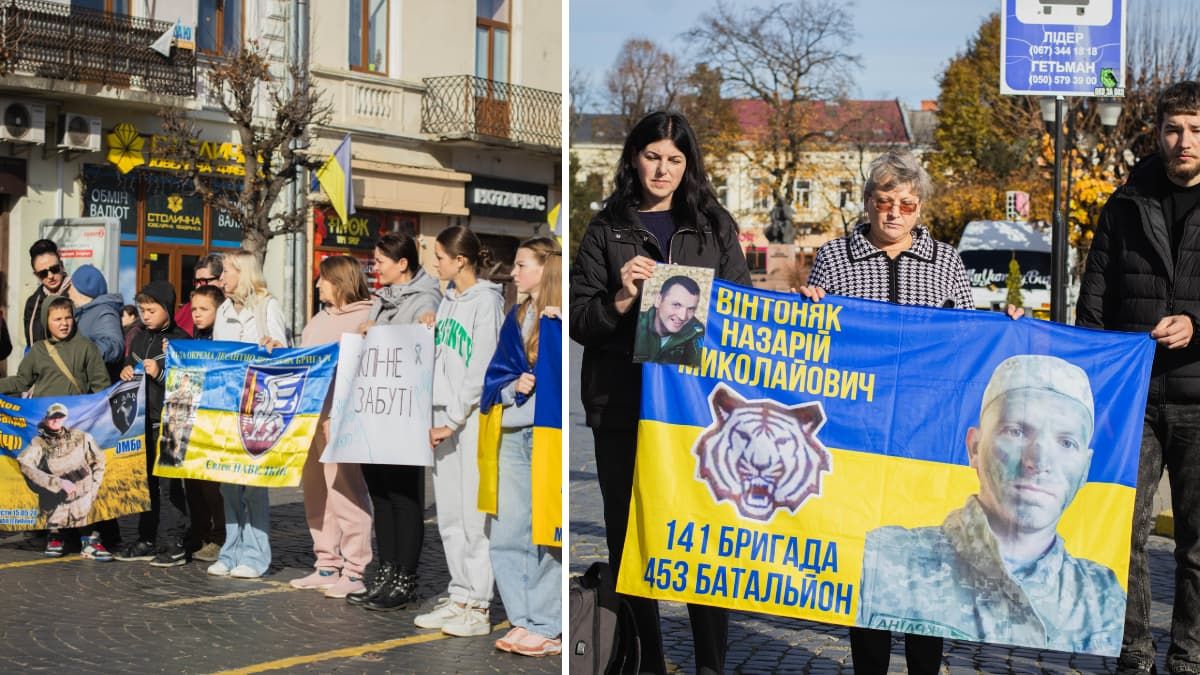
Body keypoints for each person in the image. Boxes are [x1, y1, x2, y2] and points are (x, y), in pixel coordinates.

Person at [570, 110, 750, 674]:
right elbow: (579, 319)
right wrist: (622, 297)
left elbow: (745, 309)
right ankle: (648, 660)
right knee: (632, 541)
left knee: (705, 541)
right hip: (621, 405)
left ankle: (710, 666)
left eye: (675, 159)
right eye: (653, 156)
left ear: (689, 165)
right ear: (634, 158)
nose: (663, 169)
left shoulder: (713, 225)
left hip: (696, 410)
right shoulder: (607, 229)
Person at [798, 149, 976, 674]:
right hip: (858, 436)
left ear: (920, 208)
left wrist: (1007, 324)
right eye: (885, 202)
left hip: (925, 438)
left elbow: (969, 341)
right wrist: (804, 311)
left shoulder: (946, 262)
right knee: (865, 561)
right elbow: (813, 351)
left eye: (908, 203)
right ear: (868, 203)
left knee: (929, 561)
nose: (895, 213)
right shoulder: (835, 258)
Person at [857, 355, 1124, 653]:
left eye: (1066, 442)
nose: (1038, 461)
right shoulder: (885, 557)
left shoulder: (1103, 597)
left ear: (1085, 470)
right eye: (1017, 431)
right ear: (974, 447)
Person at [1076, 80, 1200, 675]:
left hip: (1199, 399)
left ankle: (1187, 656)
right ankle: (1134, 652)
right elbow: (1093, 303)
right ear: (1157, 134)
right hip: (1134, 401)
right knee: (1122, 532)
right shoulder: (1124, 204)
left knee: (1197, 544)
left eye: (1197, 130)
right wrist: (1098, 388)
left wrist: (1198, 324)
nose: (1184, 142)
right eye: (1175, 129)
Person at [413, 226, 503, 637]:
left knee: (473, 515)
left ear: (460, 260)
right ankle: (460, 593)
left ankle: (479, 605)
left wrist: (452, 418)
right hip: (442, 416)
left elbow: (480, 366)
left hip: (467, 420)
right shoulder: (448, 301)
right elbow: (445, 357)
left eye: (440, 257)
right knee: (449, 514)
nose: (435, 264)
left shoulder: (487, 303)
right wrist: (429, 325)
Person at [348, 232, 441, 611]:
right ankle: (385, 572)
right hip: (375, 413)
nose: (375, 267)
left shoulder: (426, 298)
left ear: (403, 264)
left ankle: (405, 576)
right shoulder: (380, 301)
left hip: (405, 415)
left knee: (404, 497)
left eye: (381, 261)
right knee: (381, 496)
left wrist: (384, 332)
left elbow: (421, 341)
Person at [484, 237, 563, 657]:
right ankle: (522, 617)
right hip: (513, 432)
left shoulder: (561, 319)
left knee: (547, 530)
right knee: (508, 530)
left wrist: (560, 332)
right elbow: (495, 373)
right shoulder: (515, 316)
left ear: (545, 269)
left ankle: (548, 623)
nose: (513, 273)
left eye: (521, 265)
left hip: (548, 436)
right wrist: (513, 387)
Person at [0, 296, 110, 560]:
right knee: (53, 481)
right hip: (48, 430)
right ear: (46, 321)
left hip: (78, 428)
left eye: (68, 317)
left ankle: (89, 538)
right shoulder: (38, 351)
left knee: (83, 482)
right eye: (57, 318)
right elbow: (22, 381)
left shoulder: (87, 348)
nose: (64, 323)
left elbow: (101, 386)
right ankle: (55, 535)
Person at [290, 255, 374, 599]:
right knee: (316, 492)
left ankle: (356, 568)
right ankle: (326, 562)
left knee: (346, 491)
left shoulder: (367, 316)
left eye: (322, 279)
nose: (316, 284)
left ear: (339, 282)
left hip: (342, 418)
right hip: (311, 415)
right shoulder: (319, 319)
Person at [207, 250, 288, 579]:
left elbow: (284, 352)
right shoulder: (223, 310)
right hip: (226, 406)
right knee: (227, 483)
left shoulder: (267, 306)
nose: (222, 277)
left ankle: (255, 556)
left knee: (253, 485)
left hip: (257, 410)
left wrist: (274, 345)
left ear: (245, 272)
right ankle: (230, 551)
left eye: (227, 271)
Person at [114, 281, 190, 567]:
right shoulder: (137, 337)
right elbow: (128, 366)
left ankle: (175, 542)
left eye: (151, 310)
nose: (145, 315)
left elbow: (187, 385)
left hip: (171, 423)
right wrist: (124, 372)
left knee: (170, 487)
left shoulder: (181, 339)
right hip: (142, 423)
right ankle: (147, 539)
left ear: (167, 309)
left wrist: (160, 374)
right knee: (145, 484)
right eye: (142, 310)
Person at [183, 284, 225, 562]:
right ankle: (198, 530)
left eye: (204, 309)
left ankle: (219, 536)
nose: (196, 315)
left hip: (215, 422)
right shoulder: (193, 339)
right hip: (191, 419)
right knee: (192, 482)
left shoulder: (222, 341)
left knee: (213, 485)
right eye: (194, 309)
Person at [17, 405, 105, 535]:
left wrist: (94, 488)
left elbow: (98, 461)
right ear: (46, 419)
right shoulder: (39, 443)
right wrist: (57, 483)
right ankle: (55, 539)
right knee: (56, 537)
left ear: (65, 418)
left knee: (88, 532)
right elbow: (25, 464)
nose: (56, 419)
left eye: (60, 416)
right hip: (57, 508)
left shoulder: (81, 437)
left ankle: (88, 543)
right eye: (53, 417)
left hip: (84, 503)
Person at [65, 264, 125, 380]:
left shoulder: (104, 312)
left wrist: (81, 354)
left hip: (96, 391)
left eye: (71, 286)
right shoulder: (84, 311)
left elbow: (114, 345)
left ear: (82, 289)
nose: (68, 292)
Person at [633, 274, 704, 365]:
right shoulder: (637, 324)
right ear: (658, 300)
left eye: (690, 309)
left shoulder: (697, 332)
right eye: (677, 305)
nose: (683, 317)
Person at [23, 239, 68, 348]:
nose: (50, 276)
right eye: (43, 273)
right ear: (36, 275)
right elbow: (33, 342)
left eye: (54, 269)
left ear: (61, 266)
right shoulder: (33, 303)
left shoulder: (78, 293)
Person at [175, 253, 224, 337]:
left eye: (204, 281)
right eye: (196, 282)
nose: (198, 286)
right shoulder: (186, 310)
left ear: (221, 280)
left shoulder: (232, 310)